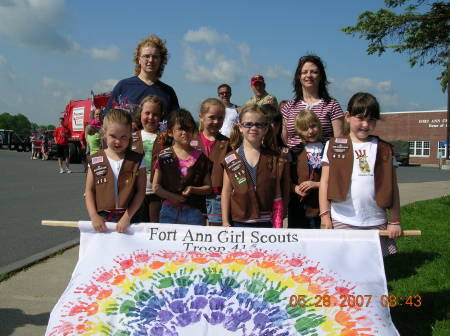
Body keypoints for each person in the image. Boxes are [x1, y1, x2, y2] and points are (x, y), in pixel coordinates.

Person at [319, 92, 401, 256]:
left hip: (375, 220)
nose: (365, 124)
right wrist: (325, 215)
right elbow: (325, 182)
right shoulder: (333, 145)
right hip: (342, 219)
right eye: (360, 118)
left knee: (373, 265)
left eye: (371, 120)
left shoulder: (384, 148)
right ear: (347, 116)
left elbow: (393, 187)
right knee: (343, 263)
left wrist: (395, 221)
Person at [221, 104, 286, 228]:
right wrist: (225, 221)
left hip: (266, 223)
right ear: (240, 127)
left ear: (266, 129)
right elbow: (226, 191)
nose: (253, 128)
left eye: (259, 124)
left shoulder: (273, 158)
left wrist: (278, 224)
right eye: (248, 124)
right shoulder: (230, 159)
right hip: (240, 222)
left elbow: (277, 193)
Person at [85, 109, 146, 233]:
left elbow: (140, 192)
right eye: (113, 136)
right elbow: (89, 191)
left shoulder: (138, 160)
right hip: (102, 219)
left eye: (123, 137)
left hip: (130, 218)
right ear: (104, 133)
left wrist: (127, 217)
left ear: (130, 135)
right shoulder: (95, 160)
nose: (118, 141)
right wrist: (93, 216)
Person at [153, 108, 212, 225]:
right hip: (168, 211)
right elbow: (156, 187)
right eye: (180, 128)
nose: (184, 132)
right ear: (170, 132)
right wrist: (171, 197)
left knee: (192, 243)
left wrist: (193, 189)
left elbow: (208, 187)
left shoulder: (201, 158)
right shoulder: (163, 156)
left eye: (188, 128)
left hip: (194, 211)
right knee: (167, 244)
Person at [105, 34, 179, 118]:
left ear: (161, 60)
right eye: (146, 56)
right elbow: (108, 117)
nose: (151, 60)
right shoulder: (123, 86)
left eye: (155, 57)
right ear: (139, 59)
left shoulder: (168, 92)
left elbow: (176, 123)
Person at [281, 55, 344, 148]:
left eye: (314, 72)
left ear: (321, 76)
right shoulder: (288, 107)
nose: (309, 75)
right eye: (304, 72)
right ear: (299, 76)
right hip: (294, 160)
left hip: (323, 160)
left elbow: (339, 140)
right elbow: (284, 140)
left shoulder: (332, 105)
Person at [190, 98, 231, 226]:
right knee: (196, 236)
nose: (216, 121)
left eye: (220, 118)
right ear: (201, 117)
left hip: (218, 197)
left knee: (216, 238)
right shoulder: (190, 141)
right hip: (194, 196)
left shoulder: (227, 143)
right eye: (212, 117)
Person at [131, 95, 168, 222]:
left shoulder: (166, 139)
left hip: (157, 194)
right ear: (140, 113)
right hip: (135, 194)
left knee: (155, 230)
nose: (151, 117)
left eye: (155, 114)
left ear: (161, 116)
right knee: (137, 231)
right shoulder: (130, 138)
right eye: (147, 113)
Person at [292, 110, 324, 229]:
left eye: (313, 126)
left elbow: (336, 179)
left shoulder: (328, 148)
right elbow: (287, 179)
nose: (310, 131)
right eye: (305, 128)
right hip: (300, 207)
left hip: (323, 206)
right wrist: (294, 188)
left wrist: (316, 184)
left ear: (318, 125)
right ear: (299, 131)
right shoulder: (294, 152)